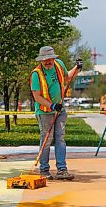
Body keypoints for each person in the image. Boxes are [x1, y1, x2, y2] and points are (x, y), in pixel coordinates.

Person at [30, 46, 82, 180]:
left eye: (49, 59)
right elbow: (37, 97)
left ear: (54, 58)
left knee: (60, 139)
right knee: (46, 140)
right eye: (45, 60)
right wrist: (52, 105)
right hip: (44, 112)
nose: (48, 62)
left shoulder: (59, 65)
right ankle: (44, 169)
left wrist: (77, 69)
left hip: (60, 110)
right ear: (41, 60)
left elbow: (67, 77)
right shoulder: (36, 74)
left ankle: (62, 169)